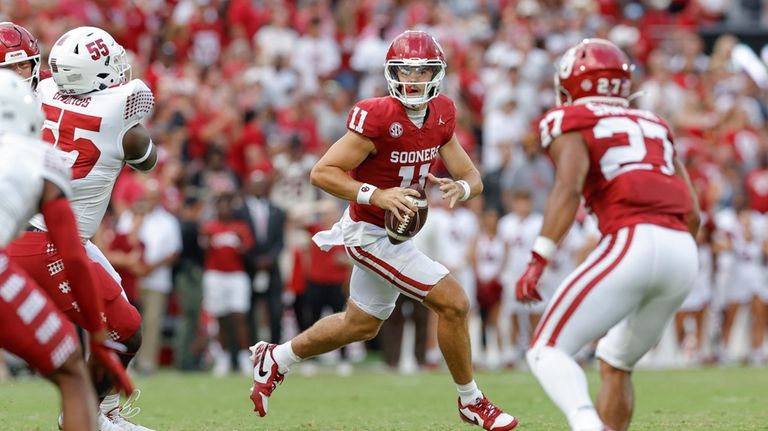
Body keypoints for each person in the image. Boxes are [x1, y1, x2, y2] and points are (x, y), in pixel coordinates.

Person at [248, 30, 518, 431]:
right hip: (368, 233)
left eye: (422, 71)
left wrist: (460, 187)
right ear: (392, 74)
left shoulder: (441, 113)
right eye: (405, 70)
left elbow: (472, 176)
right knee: (455, 303)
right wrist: (378, 195)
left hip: (397, 233)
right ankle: (471, 401)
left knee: (359, 324)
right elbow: (322, 172)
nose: (413, 79)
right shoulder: (377, 116)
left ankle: (276, 358)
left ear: (436, 75)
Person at [515, 39, 700, 431]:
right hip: (683, 250)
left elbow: (568, 187)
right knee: (616, 360)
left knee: (546, 350)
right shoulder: (654, 123)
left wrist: (539, 257)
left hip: (631, 238)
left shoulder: (569, 118)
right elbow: (694, 213)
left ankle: (588, 425)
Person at [7, 26, 157, 431]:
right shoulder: (123, 115)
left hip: (33, 231)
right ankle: (91, 416)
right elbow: (147, 160)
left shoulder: (37, 93)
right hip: (48, 240)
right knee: (125, 331)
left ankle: (102, 412)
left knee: (122, 316)